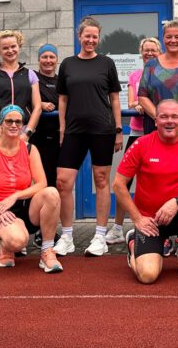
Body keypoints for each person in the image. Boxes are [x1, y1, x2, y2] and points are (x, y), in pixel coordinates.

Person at [113, 100, 178, 284]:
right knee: (147, 276)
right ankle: (133, 243)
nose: (170, 121)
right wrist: (137, 219)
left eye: (175, 117)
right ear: (155, 121)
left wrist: (176, 202)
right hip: (150, 221)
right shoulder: (141, 144)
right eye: (164, 117)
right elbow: (118, 184)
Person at [54, 17, 123, 258]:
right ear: (79, 37)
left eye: (95, 37)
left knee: (102, 180)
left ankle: (100, 236)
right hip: (73, 130)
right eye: (87, 36)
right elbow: (62, 99)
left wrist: (117, 130)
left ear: (98, 38)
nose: (91, 40)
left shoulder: (106, 63)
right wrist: (62, 128)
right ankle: (67, 236)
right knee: (63, 182)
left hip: (102, 130)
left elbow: (114, 98)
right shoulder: (68, 64)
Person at [0, 105, 63, 273]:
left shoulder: (30, 149)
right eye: (9, 121)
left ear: (22, 126)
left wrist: (16, 196)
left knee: (52, 193)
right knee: (17, 242)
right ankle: (6, 244)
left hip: (24, 208)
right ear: (1, 124)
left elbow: (41, 183)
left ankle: (47, 251)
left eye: (18, 122)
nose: (14, 125)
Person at [106, 36, 161, 246]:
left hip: (157, 136)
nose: (149, 53)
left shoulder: (164, 74)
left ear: (159, 51)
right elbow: (131, 102)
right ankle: (118, 228)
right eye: (146, 50)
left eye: (153, 50)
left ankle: (159, 226)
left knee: (156, 182)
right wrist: (139, 104)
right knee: (124, 181)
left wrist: (144, 105)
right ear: (141, 52)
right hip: (138, 134)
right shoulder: (135, 75)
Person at [0, 30, 41, 142]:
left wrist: (28, 133)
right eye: (5, 48)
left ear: (19, 47)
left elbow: (37, 107)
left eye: (13, 46)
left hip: (23, 133)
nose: (10, 50)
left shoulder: (30, 74)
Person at [33, 44, 61, 189]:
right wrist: (41, 104)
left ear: (57, 60)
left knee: (59, 182)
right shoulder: (33, 78)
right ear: (39, 59)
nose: (48, 60)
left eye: (52, 57)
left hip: (60, 138)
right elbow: (25, 99)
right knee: (41, 180)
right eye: (44, 57)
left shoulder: (61, 81)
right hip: (39, 138)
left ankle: (55, 212)